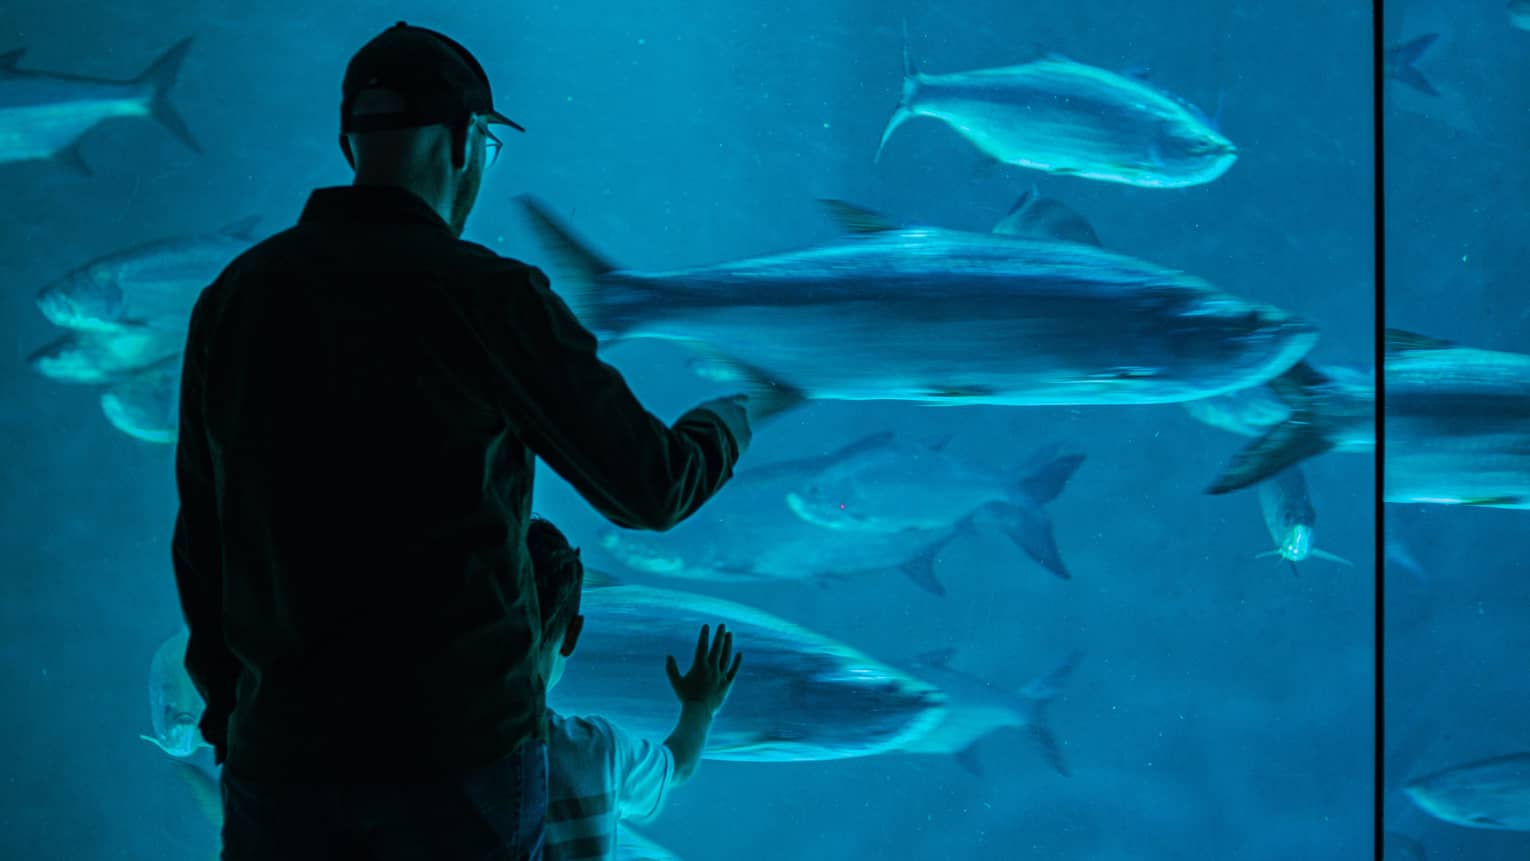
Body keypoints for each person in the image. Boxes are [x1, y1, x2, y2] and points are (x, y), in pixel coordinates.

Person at [171, 21, 759, 861]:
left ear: (349, 141)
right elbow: (651, 487)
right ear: (463, 143)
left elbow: (201, 540)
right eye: (486, 145)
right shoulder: (486, 296)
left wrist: (237, 717)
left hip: (283, 758)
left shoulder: (236, 297)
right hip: (456, 763)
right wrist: (723, 425)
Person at [524, 517, 741, 860]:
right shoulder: (597, 752)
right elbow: (678, 764)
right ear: (573, 634)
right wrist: (699, 705)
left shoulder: (425, 740)